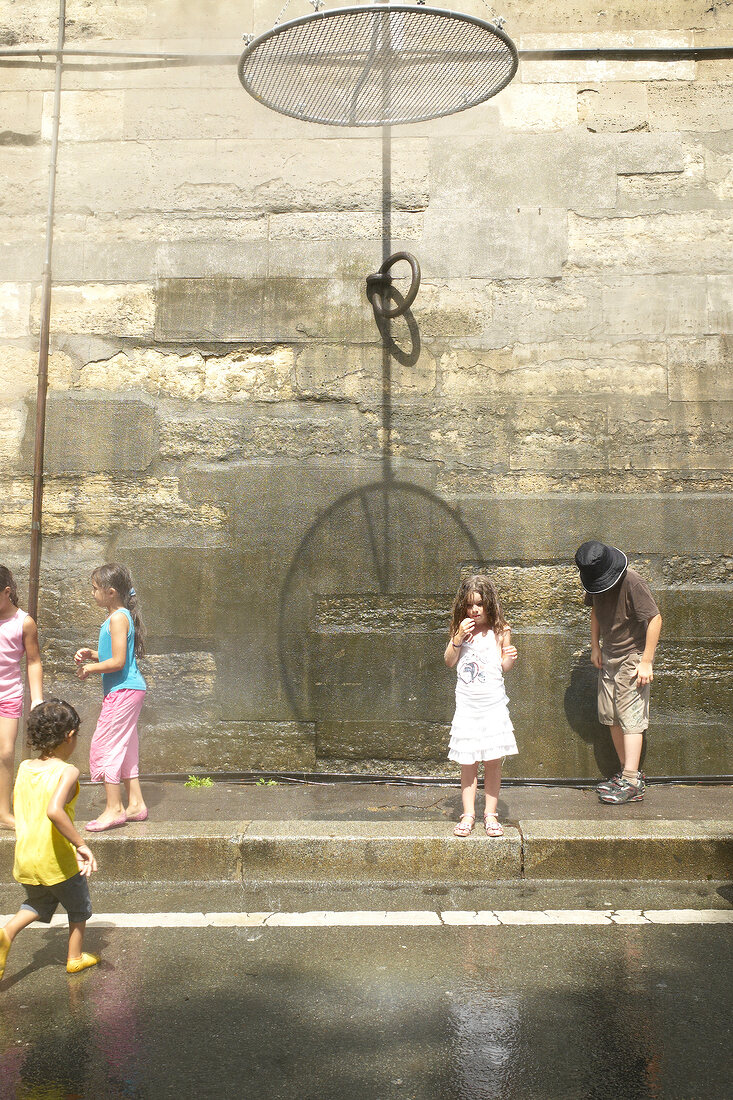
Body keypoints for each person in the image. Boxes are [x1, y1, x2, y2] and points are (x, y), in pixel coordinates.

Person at [0, 698, 98, 982]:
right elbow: (54, 811)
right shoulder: (68, 771)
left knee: (39, 904)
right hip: (56, 859)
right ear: (70, 737)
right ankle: (75, 957)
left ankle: (6, 934)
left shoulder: (26, 768)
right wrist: (81, 845)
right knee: (79, 906)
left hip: (26, 857)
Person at [574, 541, 662, 805]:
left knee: (631, 717)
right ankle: (625, 773)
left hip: (632, 657)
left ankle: (633, 780)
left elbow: (655, 618)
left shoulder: (632, 581)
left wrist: (646, 661)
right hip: (609, 656)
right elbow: (595, 614)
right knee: (611, 716)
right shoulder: (595, 580)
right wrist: (595, 647)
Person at [74, 564, 148, 832]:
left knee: (105, 745)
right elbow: (117, 655)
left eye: (95, 589)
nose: (92, 593)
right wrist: (93, 654)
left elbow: (117, 662)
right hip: (129, 689)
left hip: (123, 690)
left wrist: (91, 668)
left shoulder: (118, 617)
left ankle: (115, 808)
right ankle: (136, 803)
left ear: (111, 591)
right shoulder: (118, 616)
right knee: (125, 746)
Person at [445, 574, 518, 837]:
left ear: (489, 605)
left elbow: (504, 667)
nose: (474, 610)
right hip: (467, 707)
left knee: (493, 761)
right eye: (469, 605)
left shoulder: (500, 630)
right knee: (468, 762)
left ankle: (490, 814)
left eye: (479, 604)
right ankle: (468, 814)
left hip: (493, 706)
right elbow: (449, 661)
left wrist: (509, 657)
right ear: (462, 607)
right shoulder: (460, 630)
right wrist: (457, 638)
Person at [0, 565, 43, 830]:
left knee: (5, 752)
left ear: (6, 592)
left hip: (8, 694)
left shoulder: (23, 622)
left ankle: (3, 813)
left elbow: (34, 660)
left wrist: (36, 699)